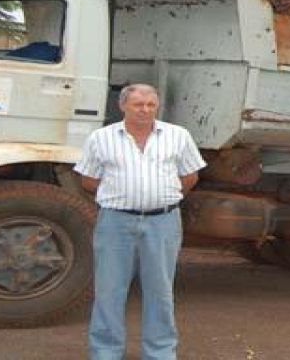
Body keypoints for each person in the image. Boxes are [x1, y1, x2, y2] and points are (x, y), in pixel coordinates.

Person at [74, 83, 206, 360]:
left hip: (163, 222)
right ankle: (105, 352)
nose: (145, 110)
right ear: (123, 106)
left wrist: (161, 198)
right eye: (138, 105)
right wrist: (122, 196)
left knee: (160, 291)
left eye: (150, 105)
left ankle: (160, 353)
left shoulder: (178, 136)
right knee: (109, 290)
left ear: (157, 106)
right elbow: (88, 180)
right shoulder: (101, 138)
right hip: (115, 222)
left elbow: (190, 177)